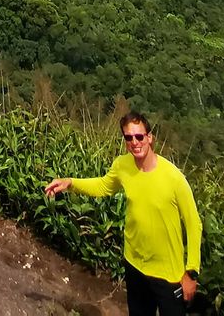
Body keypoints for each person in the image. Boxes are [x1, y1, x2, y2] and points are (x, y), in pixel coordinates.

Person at [44, 111, 201, 316]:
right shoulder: (123, 165)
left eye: (139, 136)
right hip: (134, 265)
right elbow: (103, 186)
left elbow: (194, 224)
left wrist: (191, 273)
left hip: (168, 275)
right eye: (128, 137)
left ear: (150, 137)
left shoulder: (174, 178)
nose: (134, 142)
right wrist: (70, 183)